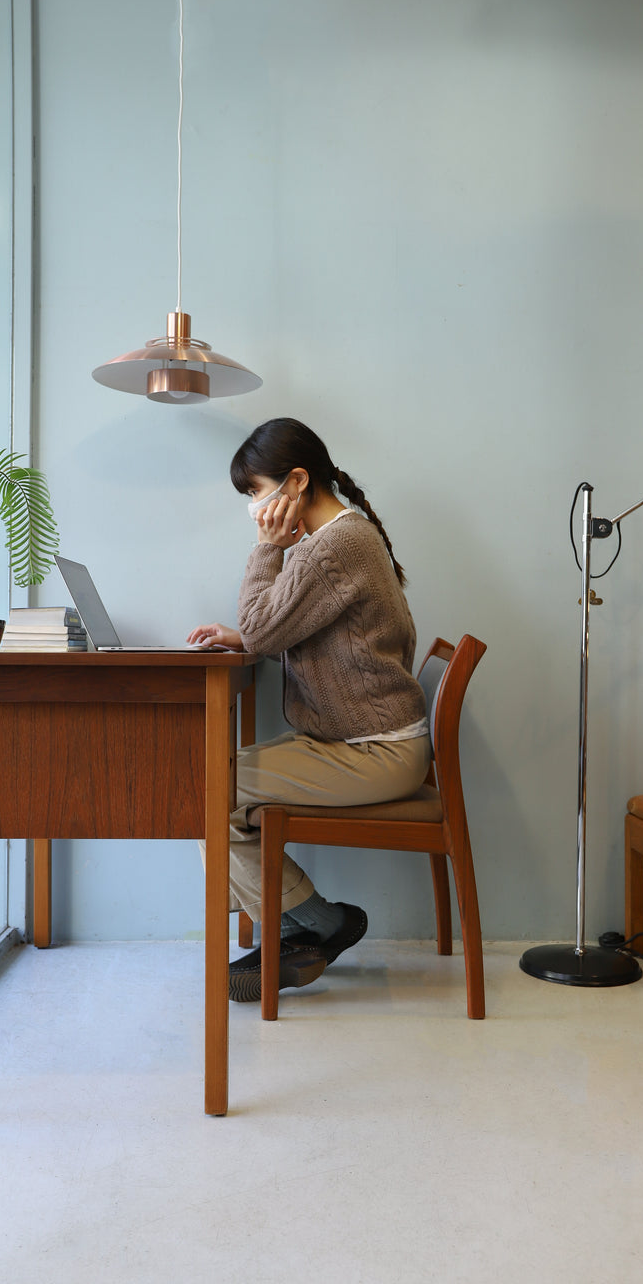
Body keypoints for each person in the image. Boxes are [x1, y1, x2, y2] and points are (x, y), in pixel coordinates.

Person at [188, 418, 431, 1003]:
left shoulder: (331, 547)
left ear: (296, 482)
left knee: (201, 789)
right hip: (362, 742)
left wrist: (264, 555)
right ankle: (301, 926)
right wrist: (245, 637)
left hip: (374, 751)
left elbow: (266, 626)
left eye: (255, 492)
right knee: (203, 781)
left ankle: (313, 925)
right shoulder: (338, 539)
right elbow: (279, 629)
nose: (253, 509)